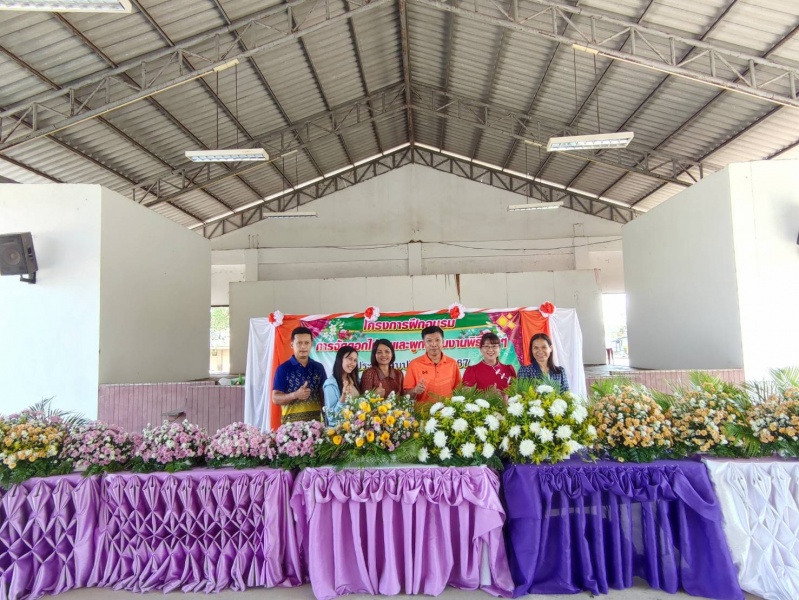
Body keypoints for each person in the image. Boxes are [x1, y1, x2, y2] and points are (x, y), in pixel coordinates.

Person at [272, 326, 327, 423]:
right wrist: (295, 395)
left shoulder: (318, 368)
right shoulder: (283, 369)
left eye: (306, 343)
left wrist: (327, 420)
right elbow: (275, 398)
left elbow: (324, 396)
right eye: (299, 343)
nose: (303, 346)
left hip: (316, 425)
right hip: (291, 427)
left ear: (311, 344)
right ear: (292, 344)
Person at [404, 326, 461, 403]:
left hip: (448, 409)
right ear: (423, 343)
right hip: (422, 410)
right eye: (429, 341)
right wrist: (415, 390)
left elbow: (459, 391)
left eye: (437, 340)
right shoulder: (414, 364)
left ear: (443, 341)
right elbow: (406, 395)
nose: (434, 344)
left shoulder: (452, 363)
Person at [323, 346, 361, 426]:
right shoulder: (330, 384)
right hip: (340, 431)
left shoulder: (356, 381)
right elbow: (332, 417)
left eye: (355, 360)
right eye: (350, 359)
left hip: (357, 428)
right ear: (340, 359)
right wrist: (343, 396)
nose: (353, 363)